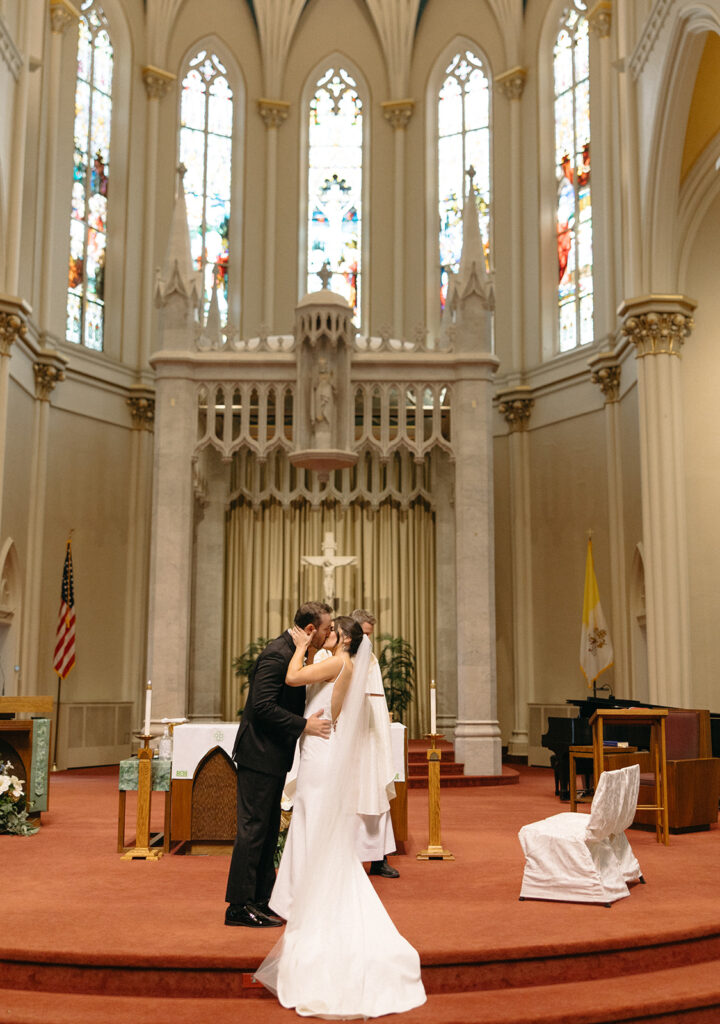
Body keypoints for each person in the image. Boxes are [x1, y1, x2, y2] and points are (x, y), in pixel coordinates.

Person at [255, 617, 426, 1018]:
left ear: (345, 639)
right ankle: (304, 892)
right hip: (319, 748)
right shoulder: (345, 664)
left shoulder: (339, 662)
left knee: (313, 823)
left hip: (319, 751)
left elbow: (295, 678)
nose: (325, 635)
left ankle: (307, 895)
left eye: (331, 632)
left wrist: (298, 646)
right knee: (313, 824)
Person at [224, 602, 332, 928]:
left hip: (272, 756)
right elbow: (262, 707)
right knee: (253, 830)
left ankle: (260, 899)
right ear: (311, 630)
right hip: (258, 755)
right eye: (326, 628)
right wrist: (304, 726)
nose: (329, 634)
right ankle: (238, 907)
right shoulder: (277, 653)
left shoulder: (295, 651)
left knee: (269, 830)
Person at [351, 609, 400, 879]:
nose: (368, 639)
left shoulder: (370, 659)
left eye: (371, 634)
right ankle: (347, 858)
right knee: (351, 799)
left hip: (370, 738)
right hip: (351, 739)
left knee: (375, 794)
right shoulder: (340, 658)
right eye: (364, 634)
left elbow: (377, 700)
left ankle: (378, 859)